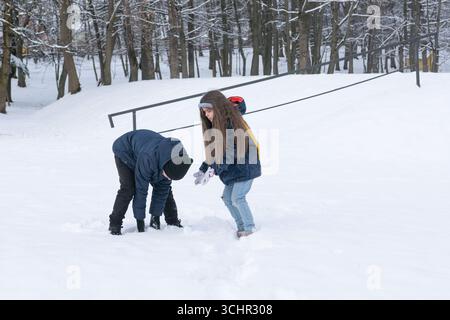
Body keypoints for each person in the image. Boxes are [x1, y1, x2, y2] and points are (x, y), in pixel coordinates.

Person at [194, 91, 261, 238]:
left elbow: (230, 155)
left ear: (218, 109)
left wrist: (213, 171)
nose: (206, 115)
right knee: (227, 198)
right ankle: (241, 226)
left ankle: (250, 228)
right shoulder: (217, 127)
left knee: (237, 197)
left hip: (246, 167)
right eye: (204, 112)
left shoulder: (230, 124)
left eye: (209, 111)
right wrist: (203, 169)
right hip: (235, 170)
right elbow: (214, 153)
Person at [109, 129, 193, 235]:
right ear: (165, 167)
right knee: (129, 188)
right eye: (168, 175)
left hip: (147, 151)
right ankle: (114, 224)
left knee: (165, 189)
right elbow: (141, 190)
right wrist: (140, 221)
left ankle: (172, 221)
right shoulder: (148, 158)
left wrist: (155, 216)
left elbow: (161, 191)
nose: (168, 178)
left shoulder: (177, 158)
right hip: (125, 150)